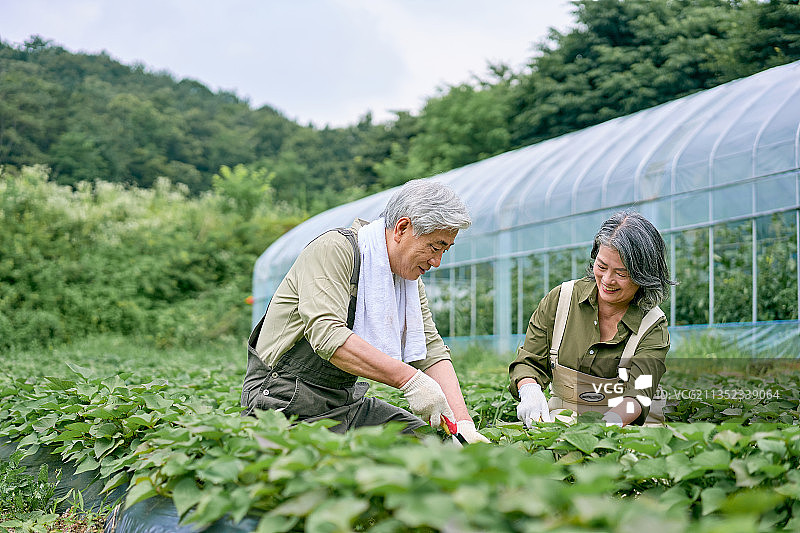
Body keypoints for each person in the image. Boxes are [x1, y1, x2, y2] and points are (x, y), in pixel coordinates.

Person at [242, 179, 489, 443]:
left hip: (344, 402)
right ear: (402, 228)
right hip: (283, 399)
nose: (437, 261)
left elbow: (430, 349)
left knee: (435, 446)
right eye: (435, 247)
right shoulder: (335, 249)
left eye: (445, 250)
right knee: (332, 465)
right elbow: (328, 335)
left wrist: (463, 424)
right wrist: (410, 381)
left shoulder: (407, 279)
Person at [508, 211, 675, 427]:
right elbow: (528, 362)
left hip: (626, 426)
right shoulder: (561, 300)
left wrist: (604, 430)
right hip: (563, 416)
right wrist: (529, 389)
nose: (607, 280)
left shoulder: (652, 325)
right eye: (602, 266)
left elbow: (638, 396)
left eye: (621, 274)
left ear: (643, 276)